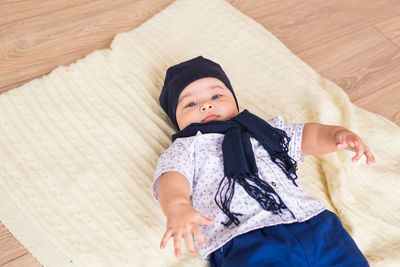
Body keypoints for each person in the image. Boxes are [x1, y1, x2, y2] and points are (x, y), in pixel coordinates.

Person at [152, 56, 375, 266]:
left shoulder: (264, 130)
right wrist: (177, 206)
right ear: (177, 120)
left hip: (315, 222)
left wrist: (337, 134)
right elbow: (173, 177)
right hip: (244, 237)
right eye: (190, 104)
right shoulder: (188, 146)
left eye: (216, 96)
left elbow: (308, 136)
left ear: (234, 100)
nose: (206, 105)